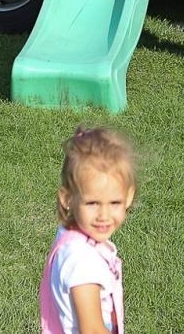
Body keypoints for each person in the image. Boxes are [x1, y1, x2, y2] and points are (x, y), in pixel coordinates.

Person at [41, 127, 136, 334]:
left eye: (114, 202)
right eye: (92, 203)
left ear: (128, 197)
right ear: (68, 199)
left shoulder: (72, 239)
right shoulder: (82, 259)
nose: (104, 215)